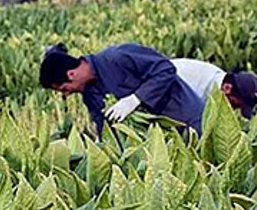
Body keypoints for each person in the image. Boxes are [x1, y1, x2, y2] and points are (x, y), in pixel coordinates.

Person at [39, 43, 204, 136]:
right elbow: (105, 127)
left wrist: (136, 99)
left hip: (189, 120)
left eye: (64, 89)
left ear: (71, 74)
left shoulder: (117, 57)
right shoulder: (90, 95)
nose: (67, 94)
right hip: (161, 139)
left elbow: (166, 70)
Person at [173, 58, 257, 118]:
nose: (232, 110)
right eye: (234, 105)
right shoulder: (199, 85)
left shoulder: (217, 81)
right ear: (227, 88)